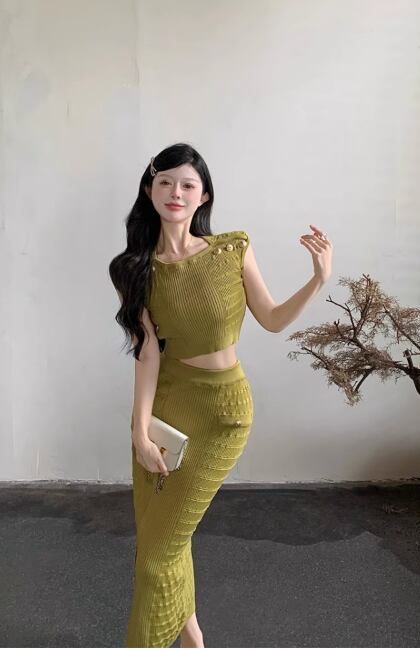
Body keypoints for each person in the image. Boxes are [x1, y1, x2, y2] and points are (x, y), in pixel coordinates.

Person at [109, 142, 333, 648]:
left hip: (223, 414)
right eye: (166, 182)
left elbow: (272, 319)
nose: (176, 192)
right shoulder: (133, 268)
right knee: (160, 541)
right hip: (167, 409)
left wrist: (317, 280)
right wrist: (139, 432)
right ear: (150, 190)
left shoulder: (232, 250)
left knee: (161, 550)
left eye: (187, 184)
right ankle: (194, 640)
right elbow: (147, 354)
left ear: (203, 195)